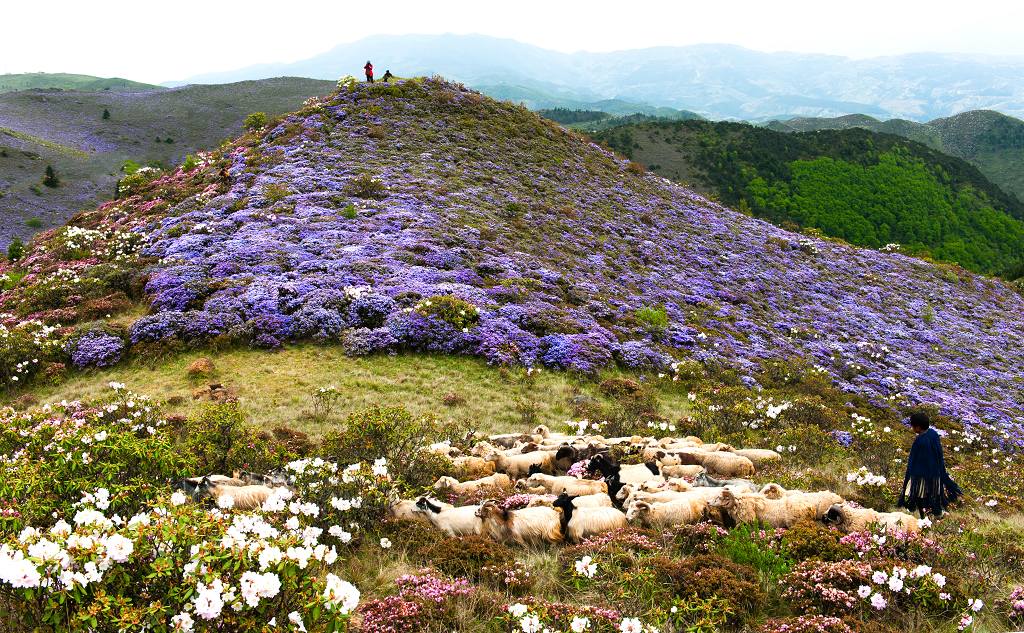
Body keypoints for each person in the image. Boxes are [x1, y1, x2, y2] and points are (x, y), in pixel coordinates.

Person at [898, 411, 961, 519]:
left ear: (918, 427)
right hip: (935, 473)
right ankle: (936, 513)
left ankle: (921, 514)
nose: (912, 428)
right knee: (933, 496)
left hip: (922, 474)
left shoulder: (921, 441)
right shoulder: (933, 433)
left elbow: (918, 459)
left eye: (912, 426)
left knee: (919, 495)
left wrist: (912, 473)